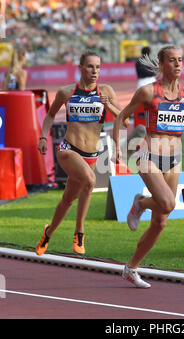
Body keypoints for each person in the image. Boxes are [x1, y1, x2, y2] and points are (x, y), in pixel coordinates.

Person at [113, 45, 184, 288]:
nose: (177, 65)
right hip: (149, 156)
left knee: (161, 222)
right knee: (168, 203)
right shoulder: (148, 92)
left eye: (180, 60)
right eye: (172, 61)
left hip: (174, 160)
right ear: (162, 64)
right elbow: (120, 116)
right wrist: (116, 147)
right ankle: (140, 203)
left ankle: (131, 268)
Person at [36, 51, 125, 256]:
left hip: (91, 154)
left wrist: (108, 104)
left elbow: (124, 120)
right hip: (68, 149)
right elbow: (50, 116)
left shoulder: (106, 91)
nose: (95, 71)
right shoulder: (67, 92)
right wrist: (42, 137)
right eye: (90, 67)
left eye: (98, 67)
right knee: (90, 181)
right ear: (81, 68)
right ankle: (79, 232)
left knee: (67, 199)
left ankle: (48, 233)